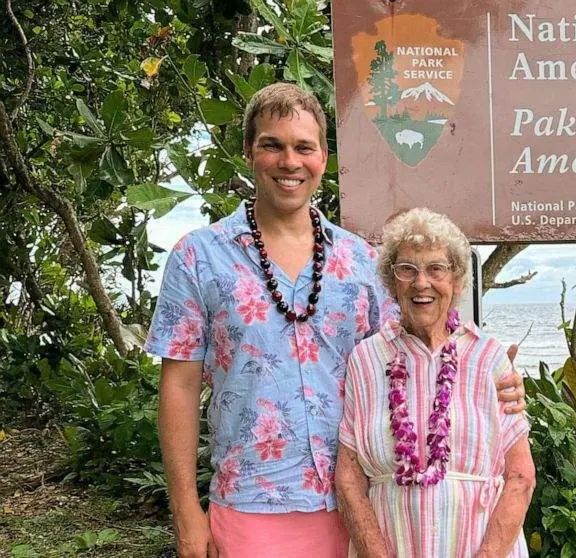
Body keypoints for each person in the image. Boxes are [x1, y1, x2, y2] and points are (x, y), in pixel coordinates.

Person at [147, 83, 526, 558]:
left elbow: (416, 353)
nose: (290, 162)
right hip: (250, 504)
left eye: (304, 147)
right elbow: (179, 387)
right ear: (248, 152)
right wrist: (185, 509)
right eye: (272, 145)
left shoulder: (361, 261)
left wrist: (495, 378)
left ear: (323, 158)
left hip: (362, 508)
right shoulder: (198, 258)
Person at [336, 208, 535, 557]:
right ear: (391, 282)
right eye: (407, 269)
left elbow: (521, 477)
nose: (421, 282)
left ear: (456, 281)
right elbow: (349, 478)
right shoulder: (365, 360)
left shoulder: (488, 358)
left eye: (436, 269)